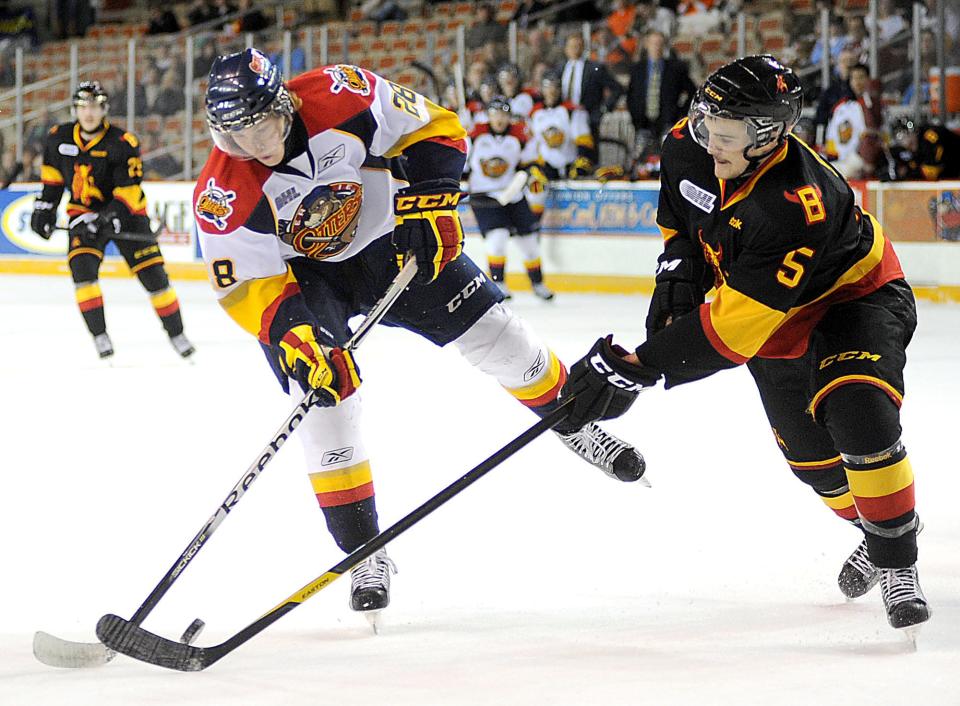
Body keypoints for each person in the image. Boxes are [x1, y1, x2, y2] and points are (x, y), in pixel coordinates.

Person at [195, 50, 645, 620]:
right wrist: (298, 338)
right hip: (306, 282)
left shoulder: (344, 93)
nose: (256, 148)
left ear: (283, 104)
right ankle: (364, 551)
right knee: (325, 403)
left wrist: (430, 204)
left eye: (264, 128)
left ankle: (572, 420)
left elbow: (434, 126)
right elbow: (246, 284)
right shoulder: (222, 190)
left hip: (390, 247)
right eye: (237, 139)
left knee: (501, 337)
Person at [559, 55, 930, 635]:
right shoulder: (690, 140)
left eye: (726, 138)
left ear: (769, 135)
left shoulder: (795, 203)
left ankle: (897, 562)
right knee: (817, 468)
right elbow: (680, 218)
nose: (711, 146)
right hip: (769, 316)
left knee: (859, 414)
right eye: (707, 128)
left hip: (852, 298)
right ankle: (880, 525)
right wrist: (677, 272)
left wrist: (640, 366)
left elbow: (731, 332)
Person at [30, 81, 195, 360]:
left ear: (104, 109)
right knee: (82, 273)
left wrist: (106, 219)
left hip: (127, 215)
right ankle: (100, 335)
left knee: (155, 278)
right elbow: (53, 183)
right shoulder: (58, 138)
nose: (89, 113)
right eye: (83, 107)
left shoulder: (122, 143)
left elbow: (128, 193)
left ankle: (177, 333)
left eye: (95, 106)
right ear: (75, 109)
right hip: (82, 215)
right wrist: (44, 211)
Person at [466, 96, 554, 301]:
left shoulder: (519, 136)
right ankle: (498, 283)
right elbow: (461, 163)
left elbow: (530, 163)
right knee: (497, 240)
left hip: (513, 195)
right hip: (485, 196)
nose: (499, 119)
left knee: (530, 243)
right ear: (488, 116)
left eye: (504, 114)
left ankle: (538, 283)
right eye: (495, 114)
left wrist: (534, 171)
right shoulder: (474, 135)